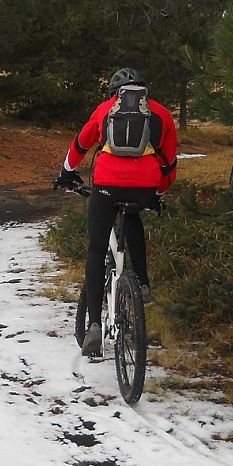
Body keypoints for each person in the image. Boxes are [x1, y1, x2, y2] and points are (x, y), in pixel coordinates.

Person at [52, 67, 178, 357]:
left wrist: (66, 174)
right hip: (145, 187)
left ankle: (94, 324)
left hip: (107, 186)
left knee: (97, 251)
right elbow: (169, 164)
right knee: (132, 216)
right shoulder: (161, 114)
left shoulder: (104, 110)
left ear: (114, 93)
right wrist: (157, 194)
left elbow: (80, 144)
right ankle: (142, 284)